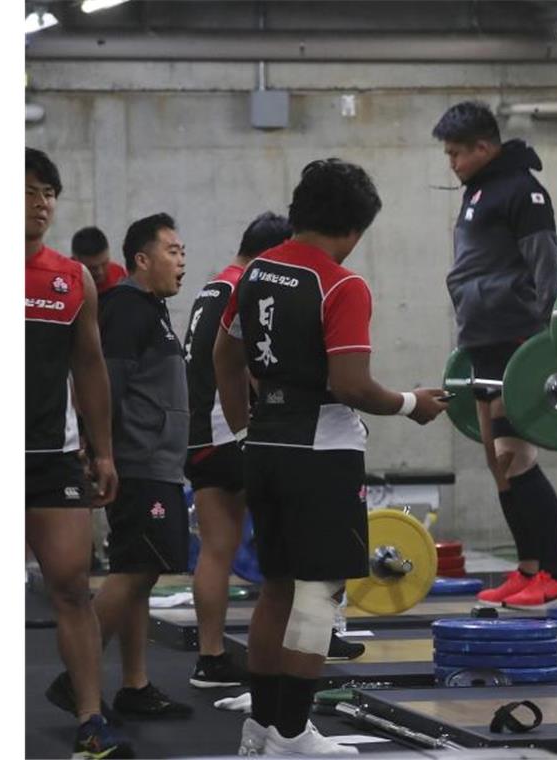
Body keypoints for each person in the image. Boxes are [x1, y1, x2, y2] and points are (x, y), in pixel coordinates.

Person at [212, 158, 447, 755]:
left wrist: (245, 429)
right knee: (318, 595)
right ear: (355, 228)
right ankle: (292, 735)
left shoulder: (257, 271)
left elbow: (225, 357)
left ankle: (262, 730)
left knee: (276, 590)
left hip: (262, 447)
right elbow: (352, 385)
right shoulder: (342, 285)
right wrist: (410, 403)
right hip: (321, 453)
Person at [49, 213, 195, 719]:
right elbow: (100, 382)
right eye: (172, 251)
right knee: (138, 568)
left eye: (183, 252)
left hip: (159, 461)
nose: (181, 261)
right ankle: (76, 678)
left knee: (141, 570)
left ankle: (135, 684)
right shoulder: (127, 309)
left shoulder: (152, 310)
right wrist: (101, 451)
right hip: (138, 462)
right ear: (141, 259)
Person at [431, 101, 557, 611]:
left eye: (456, 153)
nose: (451, 162)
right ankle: (529, 569)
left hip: (517, 334)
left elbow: (546, 264)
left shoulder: (523, 190)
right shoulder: (480, 188)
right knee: (498, 460)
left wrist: (552, 339)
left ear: (483, 147)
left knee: (517, 456)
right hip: (484, 336)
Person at [27, 148, 134, 758]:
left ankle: (91, 718)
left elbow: (90, 367)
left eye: (49, 193)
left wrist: (104, 451)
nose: (41, 203)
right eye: (28, 191)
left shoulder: (71, 279)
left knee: (71, 586)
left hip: (52, 456)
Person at [182, 212, 291, 688]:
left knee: (216, 550)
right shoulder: (249, 288)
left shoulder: (211, 288)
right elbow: (250, 363)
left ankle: (210, 658)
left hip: (199, 435)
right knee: (290, 541)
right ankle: (293, 649)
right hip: (235, 431)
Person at [72, 226, 127, 294]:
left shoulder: (118, 274)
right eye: (92, 268)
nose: (100, 272)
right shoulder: (65, 279)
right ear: (75, 260)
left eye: (104, 264)